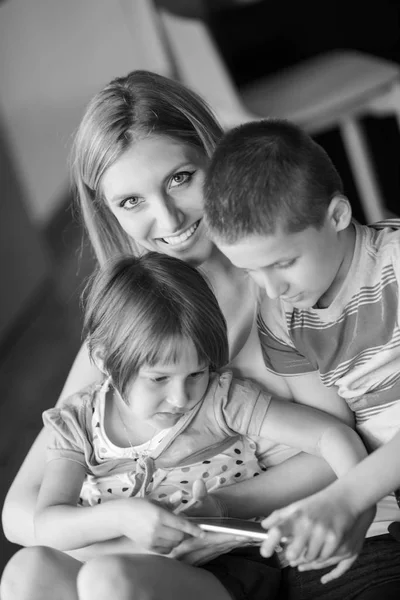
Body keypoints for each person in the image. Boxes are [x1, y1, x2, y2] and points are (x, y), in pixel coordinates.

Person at [0, 71, 372, 599]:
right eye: (131, 202)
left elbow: (336, 444)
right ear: (107, 211)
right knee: (30, 575)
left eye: (179, 179)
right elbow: (21, 513)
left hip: (248, 557)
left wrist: (217, 509)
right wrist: (127, 535)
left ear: (215, 156)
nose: (167, 217)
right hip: (147, 554)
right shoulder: (126, 331)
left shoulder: (284, 286)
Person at [24, 251, 369, 600]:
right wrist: (122, 517)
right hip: (118, 573)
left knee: (107, 579)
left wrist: (358, 504)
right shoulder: (78, 421)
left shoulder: (220, 400)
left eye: (196, 373)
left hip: (225, 571)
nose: (180, 397)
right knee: (29, 569)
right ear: (104, 361)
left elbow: (332, 435)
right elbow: (48, 525)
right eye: (158, 378)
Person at [203, 117, 400, 595]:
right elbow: (335, 434)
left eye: (284, 262)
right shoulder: (282, 316)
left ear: (336, 215)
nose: (274, 289)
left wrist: (349, 498)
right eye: (251, 270)